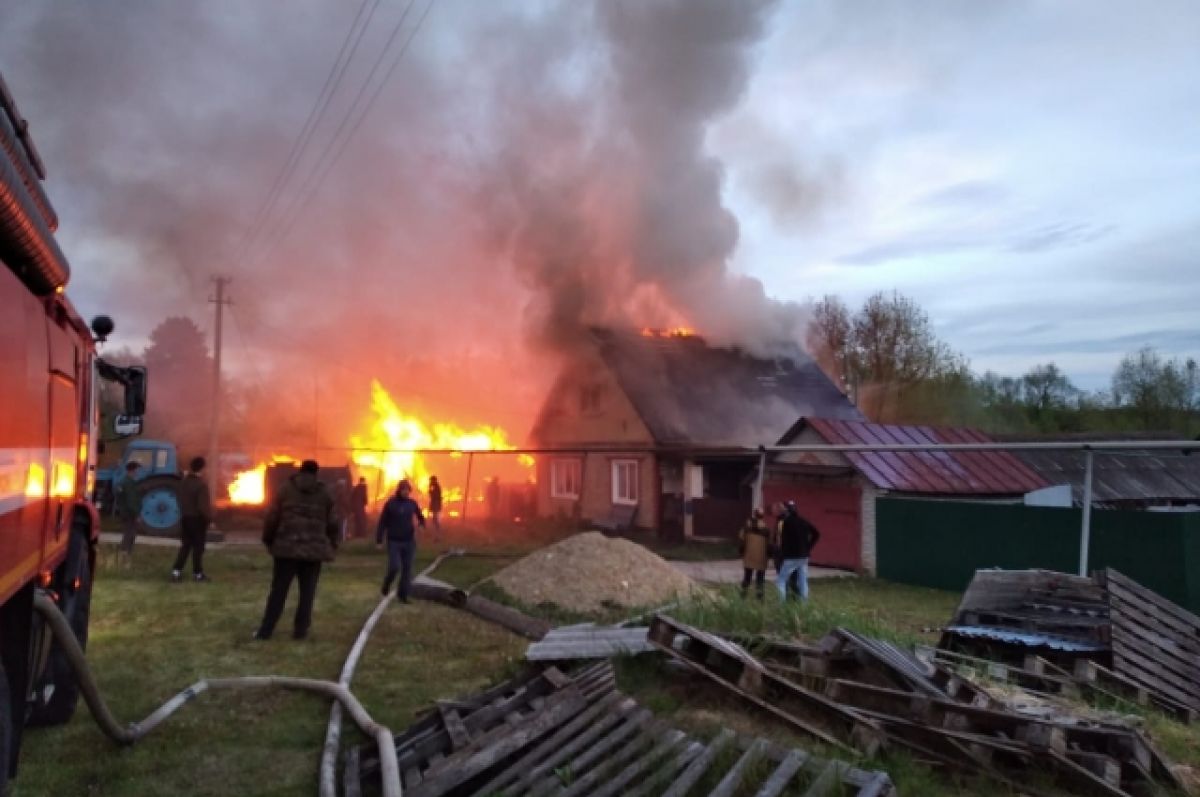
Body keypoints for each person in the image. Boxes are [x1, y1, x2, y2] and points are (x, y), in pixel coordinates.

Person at [254, 460, 338, 640]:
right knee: (307, 593)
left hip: (286, 549)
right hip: (313, 552)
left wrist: (268, 539)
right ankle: (300, 631)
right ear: (317, 473)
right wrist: (332, 544)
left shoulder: (285, 490)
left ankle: (266, 630)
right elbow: (334, 523)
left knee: (278, 591)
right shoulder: (325, 494)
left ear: (300, 471)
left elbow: (272, 517)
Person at [376, 479, 426, 603]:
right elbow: (383, 522)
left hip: (409, 541)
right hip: (394, 541)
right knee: (394, 567)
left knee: (407, 569)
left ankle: (403, 595)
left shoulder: (412, 503)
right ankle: (386, 585)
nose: (406, 492)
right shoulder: (391, 503)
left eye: (408, 490)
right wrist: (379, 539)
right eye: (403, 490)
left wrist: (421, 524)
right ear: (399, 490)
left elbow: (420, 516)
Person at [172, 456, 213, 582]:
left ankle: (176, 572)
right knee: (198, 548)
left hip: (185, 518)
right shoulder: (201, 485)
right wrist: (209, 519)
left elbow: (179, 499)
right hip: (197, 520)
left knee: (185, 546)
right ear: (202, 468)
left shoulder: (183, 483)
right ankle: (198, 574)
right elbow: (203, 507)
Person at [776, 500, 821, 601]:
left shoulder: (786, 523)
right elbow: (817, 533)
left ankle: (781, 605)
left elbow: (783, 540)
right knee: (803, 581)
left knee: (781, 580)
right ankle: (803, 605)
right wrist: (809, 546)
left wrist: (782, 553)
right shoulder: (803, 521)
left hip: (791, 557)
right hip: (804, 556)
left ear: (787, 511)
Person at [738, 508, 770, 600]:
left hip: (749, 556)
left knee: (747, 577)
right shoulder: (766, 529)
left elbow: (741, 537)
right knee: (760, 579)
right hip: (761, 557)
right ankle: (760, 598)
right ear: (762, 516)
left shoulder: (747, 527)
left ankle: (743, 596)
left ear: (754, 514)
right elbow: (770, 543)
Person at [116, 461, 142, 566]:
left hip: (124, 512)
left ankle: (124, 555)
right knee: (130, 534)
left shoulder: (122, 482)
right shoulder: (129, 483)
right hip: (130, 513)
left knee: (127, 533)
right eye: (137, 469)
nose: (138, 472)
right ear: (133, 470)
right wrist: (137, 515)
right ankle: (125, 557)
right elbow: (131, 501)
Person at [427, 475, 442, 540]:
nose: (430, 482)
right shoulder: (435, 486)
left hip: (436, 504)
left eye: (431, 480)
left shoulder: (436, 487)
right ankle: (435, 533)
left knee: (435, 519)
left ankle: (437, 534)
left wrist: (430, 488)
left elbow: (432, 495)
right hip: (435, 503)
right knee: (434, 519)